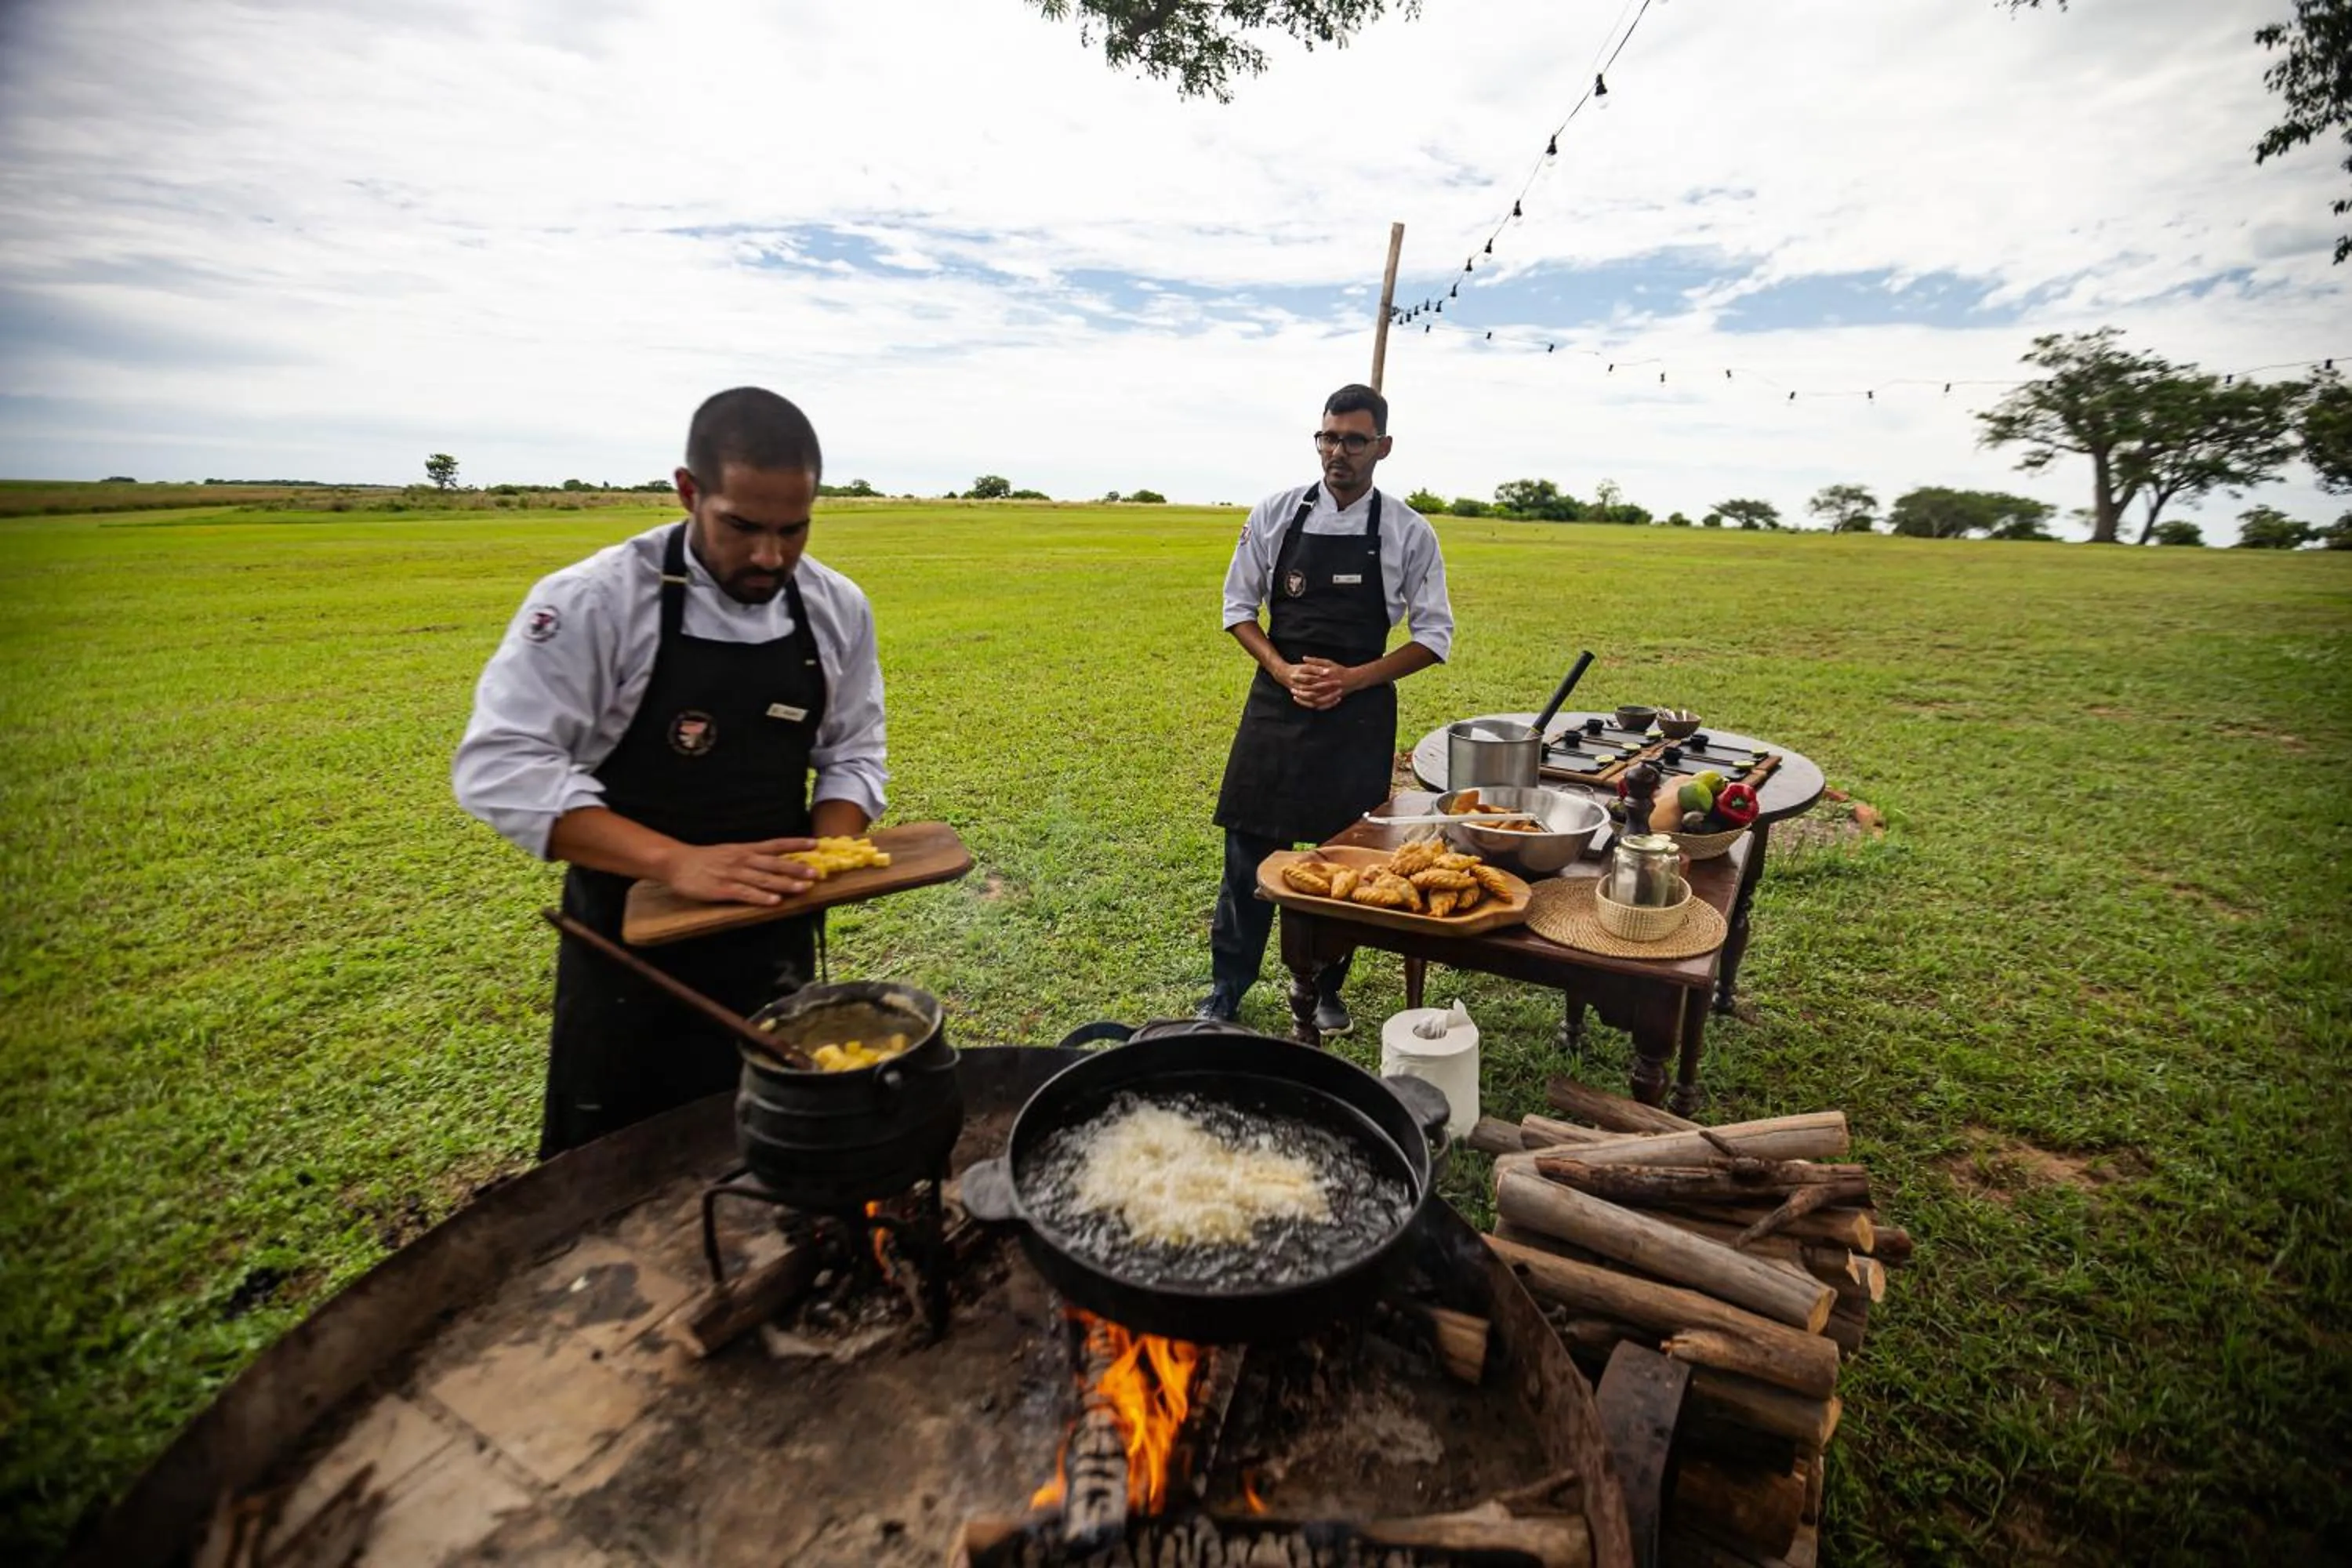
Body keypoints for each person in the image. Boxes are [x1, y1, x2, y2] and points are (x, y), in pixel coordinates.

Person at [453, 387, 887, 1157]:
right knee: (620, 1164)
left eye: (795, 530)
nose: (770, 556)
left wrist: (830, 850)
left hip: (775, 929)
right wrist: (676, 863)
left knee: (777, 1136)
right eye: (742, 526)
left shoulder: (836, 606)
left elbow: (852, 749)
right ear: (689, 491)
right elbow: (502, 766)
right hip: (631, 945)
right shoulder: (594, 601)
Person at [1200, 383, 1454, 1033]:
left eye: (1353, 440)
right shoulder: (1276, 513)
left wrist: (1353, 678)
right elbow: (1238, 610)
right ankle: (1226, 990)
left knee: (1346, 860)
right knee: (1248, 854)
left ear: (1383, 447)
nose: (1337, 451)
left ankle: (1326, 986)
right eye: (1328, 437)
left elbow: (1433, 637)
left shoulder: (1408, 531)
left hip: (1359, 714)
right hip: (1275, 706)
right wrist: (1285, 670)